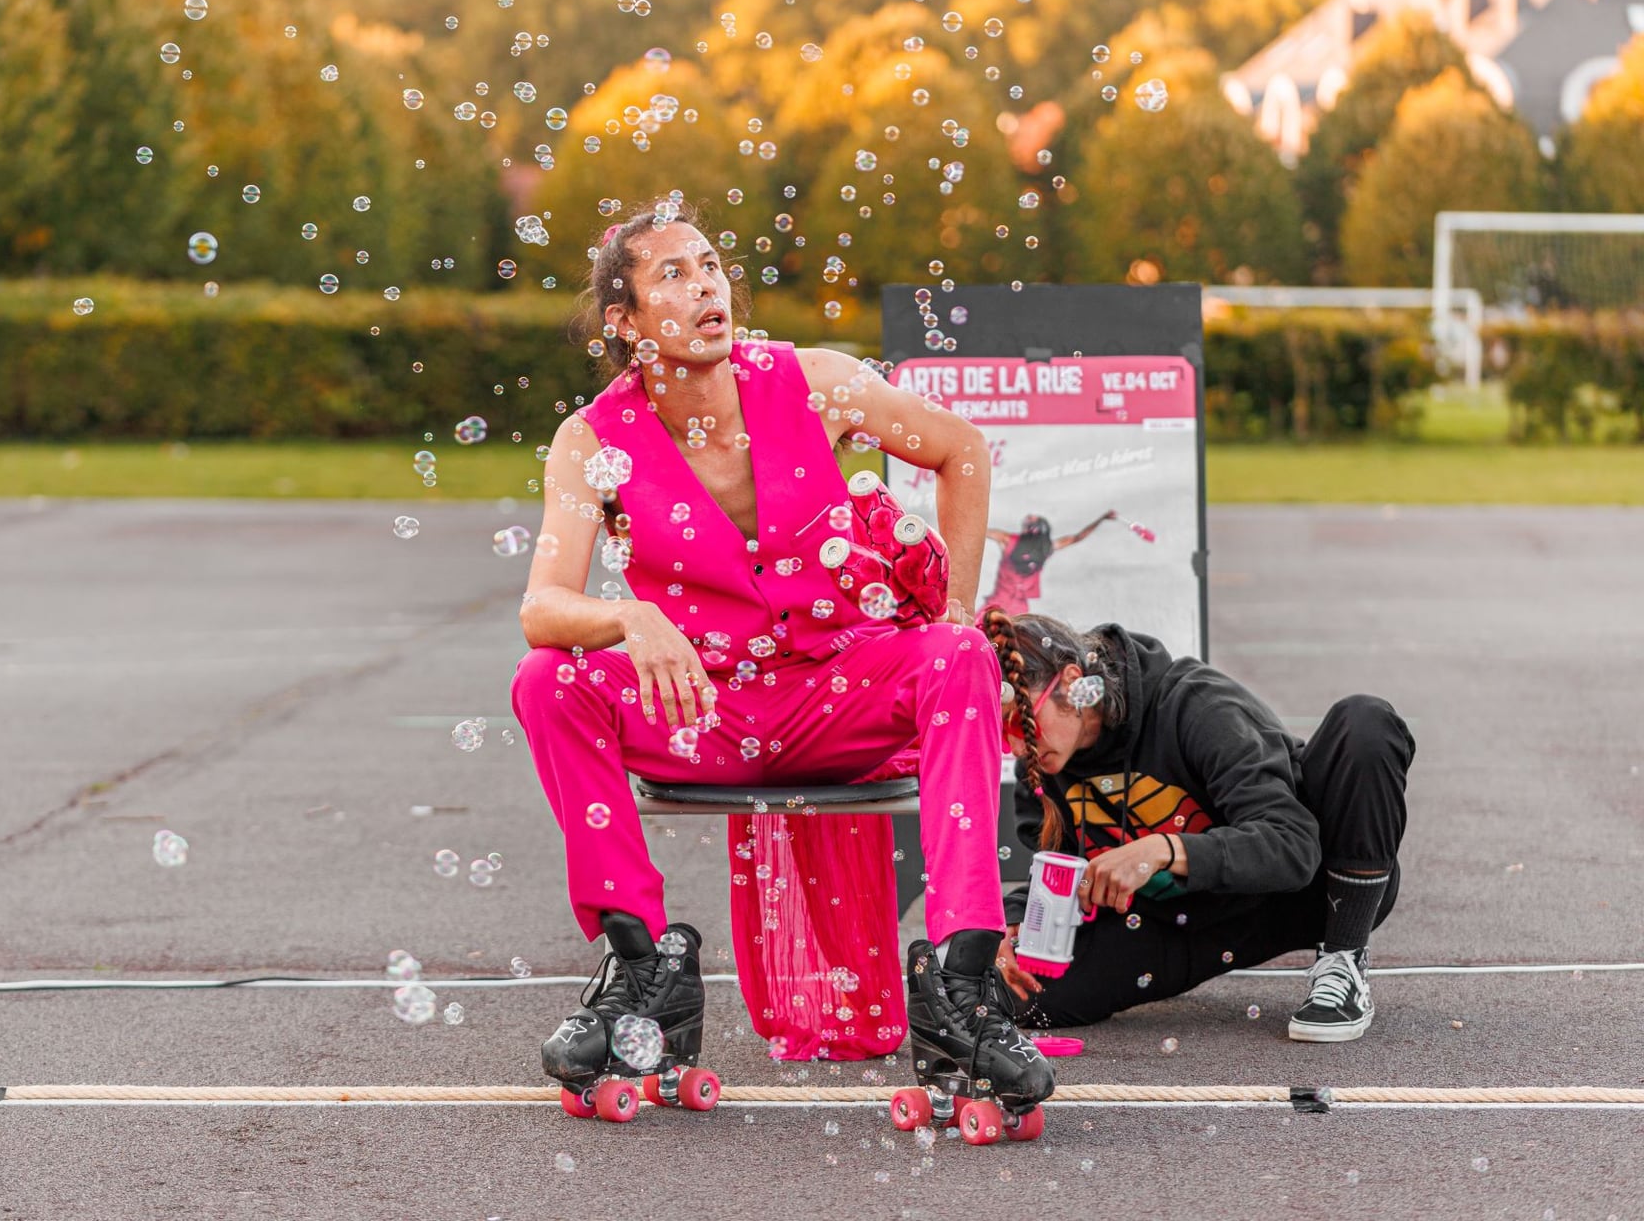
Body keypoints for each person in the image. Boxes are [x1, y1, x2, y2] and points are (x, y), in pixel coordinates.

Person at [512, 198, 1053, 1113]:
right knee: (548, 679)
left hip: (838, 695)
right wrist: (628, 620)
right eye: (673, 274)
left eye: (711, 265)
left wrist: (955, 612)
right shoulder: (593, 440)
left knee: (959, 656)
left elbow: (960, 450)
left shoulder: (812, 381)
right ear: (625, 322)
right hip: (705, 711)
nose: (706, 286)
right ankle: (644, 968)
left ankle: (962, 988)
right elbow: (542, 607)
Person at [979, 609, 1413, 1042]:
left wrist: (1162, 850)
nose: (1017, 746)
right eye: (1000, 733)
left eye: (1022, 722)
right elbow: (1062, 877)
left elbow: (1293, 845)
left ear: (1073, 683)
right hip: (1179, 923)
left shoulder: (1197, 707)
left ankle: (1343, 957)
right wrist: (1013, 922)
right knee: (1012, 993)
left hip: (1303, 892)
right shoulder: (1040, 773)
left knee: (1365, 724)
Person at [980, 511, 1119, 616]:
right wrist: (1102, 518)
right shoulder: (1043, 548)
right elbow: (1077, 537)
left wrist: (1101, 518)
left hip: (1006, 605)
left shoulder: (1011, 541)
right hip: (1008, 606)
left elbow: (1077, 537)